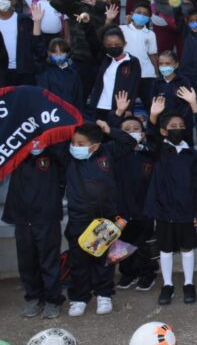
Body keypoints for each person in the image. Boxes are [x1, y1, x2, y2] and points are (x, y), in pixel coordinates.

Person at [65, 121, 137, 317]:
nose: (75, 147)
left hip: (105, 219)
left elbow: (129, 142)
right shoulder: (68, 157)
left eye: (81, 144)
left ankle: (104, 295)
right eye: (74, 143)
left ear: (95, 145)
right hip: (79, 218)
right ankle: (79, 298)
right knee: (79, 260)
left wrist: (109, 129)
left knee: (104, 259)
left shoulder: (108, 152)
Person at [145, 100, 197, 306]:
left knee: (188, 247)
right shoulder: (159, 151)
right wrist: (153, 117)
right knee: (166, 249)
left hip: (186, 209)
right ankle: (168, 284)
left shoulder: (191, 154)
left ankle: (189, 284)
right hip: (164, 210)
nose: (178, 130)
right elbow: (150, 138)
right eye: (172, 127)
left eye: (181, 126)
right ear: (163, 131)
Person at [2, 139, 66, 319]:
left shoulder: (55, 154)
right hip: (22, 217)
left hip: (46, 217)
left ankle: (53, 300)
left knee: (49, 260)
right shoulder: (16, 153)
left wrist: (47, 143)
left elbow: (64, 157)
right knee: (27, 261)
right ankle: (33, 297)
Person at [110, 112, 157, 293]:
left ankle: (147, 274)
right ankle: (127, 273)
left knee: (144, 244)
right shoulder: (114, 153)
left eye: (136, 129)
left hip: (144, 207)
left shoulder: (149, 154)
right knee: (122, 243)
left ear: (143, 134)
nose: (132, 132)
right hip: (121, 207)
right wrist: (117, 115)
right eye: (126, 130)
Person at [90, 27, 142, 120]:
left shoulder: (132, 62)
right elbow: (92, 41)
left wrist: (129, 108)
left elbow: (134, 86)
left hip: (120, 107)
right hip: (99, 105)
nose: (113, 47)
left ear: (124, 43)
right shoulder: (104, 59)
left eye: (117, 44)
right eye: (109, 45)